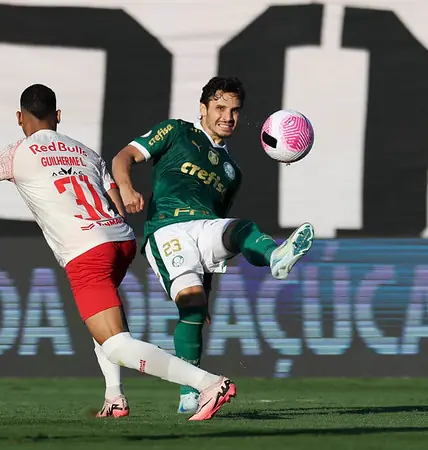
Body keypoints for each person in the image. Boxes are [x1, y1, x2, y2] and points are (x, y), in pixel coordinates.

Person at [0, 83, 237, 422]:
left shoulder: (15, 153)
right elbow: (116, 203)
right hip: (120, 241)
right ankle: (114, 396)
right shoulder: (85, 152)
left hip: (87, 251)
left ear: (19, 118)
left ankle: (208, 384)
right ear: (57, 116)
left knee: (116, 343)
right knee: (103, 322)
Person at [110, 76, 315, 414]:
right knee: (190, 307)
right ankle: (190, 391)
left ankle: (276, 256)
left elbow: (218, 232)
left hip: (204, 228)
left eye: (234, 110)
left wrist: (208, 287)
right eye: (220, 108)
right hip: (168, 230)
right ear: (203, 108)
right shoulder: (176, 131)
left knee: (239, 229)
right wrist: (126, 187)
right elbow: (123, 157)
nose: (228, 117)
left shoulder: (232, 172)